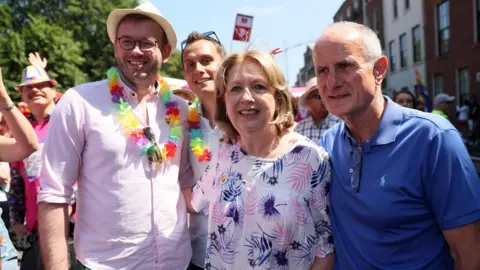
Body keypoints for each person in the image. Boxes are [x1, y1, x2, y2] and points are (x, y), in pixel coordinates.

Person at [37, 2, 193, 269]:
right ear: (115, 46)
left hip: (176, 262)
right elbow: (54, 194)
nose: (135, 51)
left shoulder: (179, 109)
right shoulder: (80, 102)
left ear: (165, 51)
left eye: (146, 43)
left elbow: (187, 183)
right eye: (126, 41)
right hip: (105, 265)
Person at [315, 21, 480, 269]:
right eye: (322, 71)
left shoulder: (433, 138)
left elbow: (469, 250)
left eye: (344, 66)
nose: (331, 82)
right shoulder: (326, 144)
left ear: (379, 70)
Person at [185, 50, 334, 270]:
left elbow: (325, 249)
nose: (246, 97)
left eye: (259, 87)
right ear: (224, 101)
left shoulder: (310, 158)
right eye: (235, 88)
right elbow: (195, 202)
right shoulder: (223, 154)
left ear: (278, 97)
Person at [7, 54, 73, 270]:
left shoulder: (70, 122)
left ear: (54, 91)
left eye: (42, 85)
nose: (34, 90)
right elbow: (16, 184)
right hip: (35, 232)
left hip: (74, 229)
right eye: (28, 87)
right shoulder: (22, 133)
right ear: (21, 95)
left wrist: (76, 205)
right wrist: (16, 222)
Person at [180, 31, 226, 270]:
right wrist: (191, 199)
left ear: (224, 65)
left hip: (247, 251)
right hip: (200, 253)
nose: (198, 69)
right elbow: (180, 174)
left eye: (206, 61)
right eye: (190, 65)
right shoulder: (182, 122)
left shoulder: (247, 114)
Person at [295, 77, 340, 141]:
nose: (324, 99)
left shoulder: (339, 124)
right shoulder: (300, 128)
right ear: (308, 101)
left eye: (325, 95)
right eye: (319, 96)